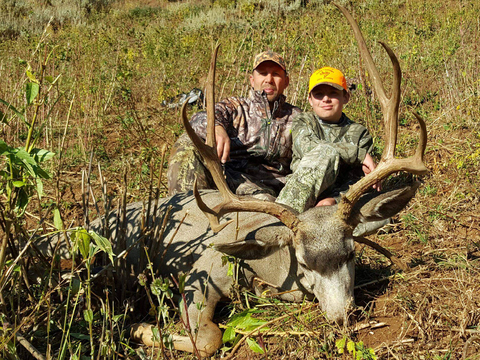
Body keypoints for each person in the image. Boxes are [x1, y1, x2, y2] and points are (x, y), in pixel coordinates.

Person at [167, 50, 302, 200]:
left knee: (264, 201)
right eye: (263, 73)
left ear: (286, 81)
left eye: (276, 74)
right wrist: (216, 127)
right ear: (252, 80)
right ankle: (185, 211)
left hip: (266, 192)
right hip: (225, 177)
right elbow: (200, 117)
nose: (269, 79)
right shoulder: (236, 106)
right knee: (187, 143)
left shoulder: (298, 119)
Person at [276, 66, 380, 213]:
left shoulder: (359, 133)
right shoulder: (304, 121)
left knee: (379, 217)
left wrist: (335, 199)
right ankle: (284, 217)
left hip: (337, 204)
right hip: (300, 198)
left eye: (333, 93)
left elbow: (359, 180)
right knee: (325, 151)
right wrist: (358, 154)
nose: (326, 99)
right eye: (318, 94)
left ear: (346, 97)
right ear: (310, 100)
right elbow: (308, 147)